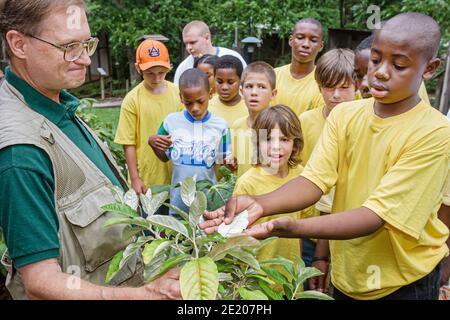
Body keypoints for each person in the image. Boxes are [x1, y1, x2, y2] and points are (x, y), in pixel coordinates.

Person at [201, 13, 450, 300]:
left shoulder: (434, 132)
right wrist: (259, 204)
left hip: (403, 283)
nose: (380, 72)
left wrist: (291, 227)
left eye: (399, 65)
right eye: (376, 59)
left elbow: (376, 215)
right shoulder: (345, 115)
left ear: (429, 68)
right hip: (348, 275)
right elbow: (314, 180)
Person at [0, 0, 180, 299]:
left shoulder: (54, 102)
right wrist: (146, 295)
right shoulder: (21, 153)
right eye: (69, 46)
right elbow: (41, 282)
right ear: (19, 44)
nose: (85, 59)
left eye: (87, 44)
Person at [233, 105, 314, 284]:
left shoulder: (302, 177)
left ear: (295, 144)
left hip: (290, 276)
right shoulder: (248, 183)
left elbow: (302, 227)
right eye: (268, 139)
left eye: (284, 139)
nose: (276, 147)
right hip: (256, 277)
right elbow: (237, 237)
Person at [298, 48, 357, 289]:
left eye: (344, 87)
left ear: (358, 85)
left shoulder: (366, 123)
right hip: (309, 227)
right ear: (318, 85)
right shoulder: (305, 121)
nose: (335, 95)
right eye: (328, 87)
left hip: (351, 229)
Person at [149, 68, 233, 213]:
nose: (195, 108)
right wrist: (153, 143)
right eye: (188, 103)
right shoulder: (171, 122)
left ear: (210, 94)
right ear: (181, 98)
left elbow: (224, 163)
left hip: (208, 204)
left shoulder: (221, 126)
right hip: (178, 204)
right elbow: (163, 157)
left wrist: (231, 163)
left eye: (200, 102)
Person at [115, 39, 182, 195]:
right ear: (138, 68)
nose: (157, 78)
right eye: (150, 73)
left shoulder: (179, 94)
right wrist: (135, 178)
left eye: (161, 72)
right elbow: (128, 142)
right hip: (147, 180)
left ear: (169, 66)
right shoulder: (132, 99)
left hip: (176, 177)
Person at [231, 61, 277, 177]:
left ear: (273, 94)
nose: (254, 93)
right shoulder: (237, 125)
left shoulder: (280, 126)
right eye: (249, 86)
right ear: (241, 92)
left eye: (261, 87)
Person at [355, 34, 430, 103]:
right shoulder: (356, 100)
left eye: (377, 75)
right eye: (359, 76)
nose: (364, 84)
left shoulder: (413, 89)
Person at [273, 18, 324, 116]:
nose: (306, 44)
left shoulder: (325, 81)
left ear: (321, 46)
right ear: (291, 41)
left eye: (313, 40)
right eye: (300, 38)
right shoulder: (272, 76)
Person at [173, 20, 247, 85]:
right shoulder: (183, 67)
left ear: (207, 38)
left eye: (192, 42)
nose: (188, 48)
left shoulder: (233, 57)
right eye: (186, 44)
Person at [208, 55, 248, 127]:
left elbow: (261, 136)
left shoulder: (250, 108)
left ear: (241, 80)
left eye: (230, 82)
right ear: (214, 78)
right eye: (219, 82)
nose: (224, 87)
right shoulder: (207, 107)